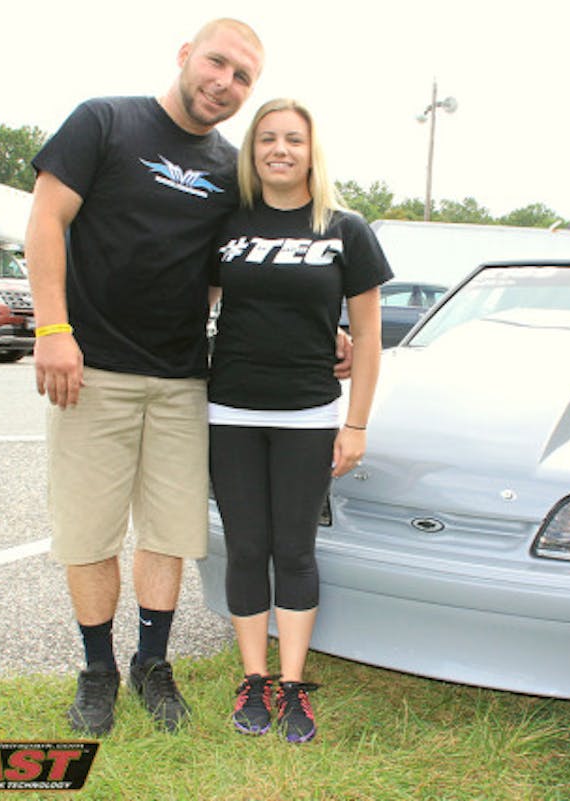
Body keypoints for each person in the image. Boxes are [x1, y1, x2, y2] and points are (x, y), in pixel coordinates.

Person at [23, 19, 266, 737]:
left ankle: (150, 664)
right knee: (90, 532)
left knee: (167, 532)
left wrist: (330, 333)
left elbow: (246, 272)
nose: (225, 82)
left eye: (244, 77)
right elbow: (44, 218)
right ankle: (97, 669)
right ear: (187, 55)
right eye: (218, 62)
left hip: (184, 380)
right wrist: (52, 328)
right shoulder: (105, 121)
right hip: (88, 370)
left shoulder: (231, 169)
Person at [207, 98, 393, 743]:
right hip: (228, 409)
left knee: (294, 549)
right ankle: (252, 678)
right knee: (246, 546)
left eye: (292, 139)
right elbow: (191, 303)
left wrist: (357, 423)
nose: (279, 149)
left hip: (308, 415)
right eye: (266, 139)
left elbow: (367, 337)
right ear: (251, 150)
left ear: (313, 151)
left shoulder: (346, 228)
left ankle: (291, 685)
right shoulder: (226, 224)